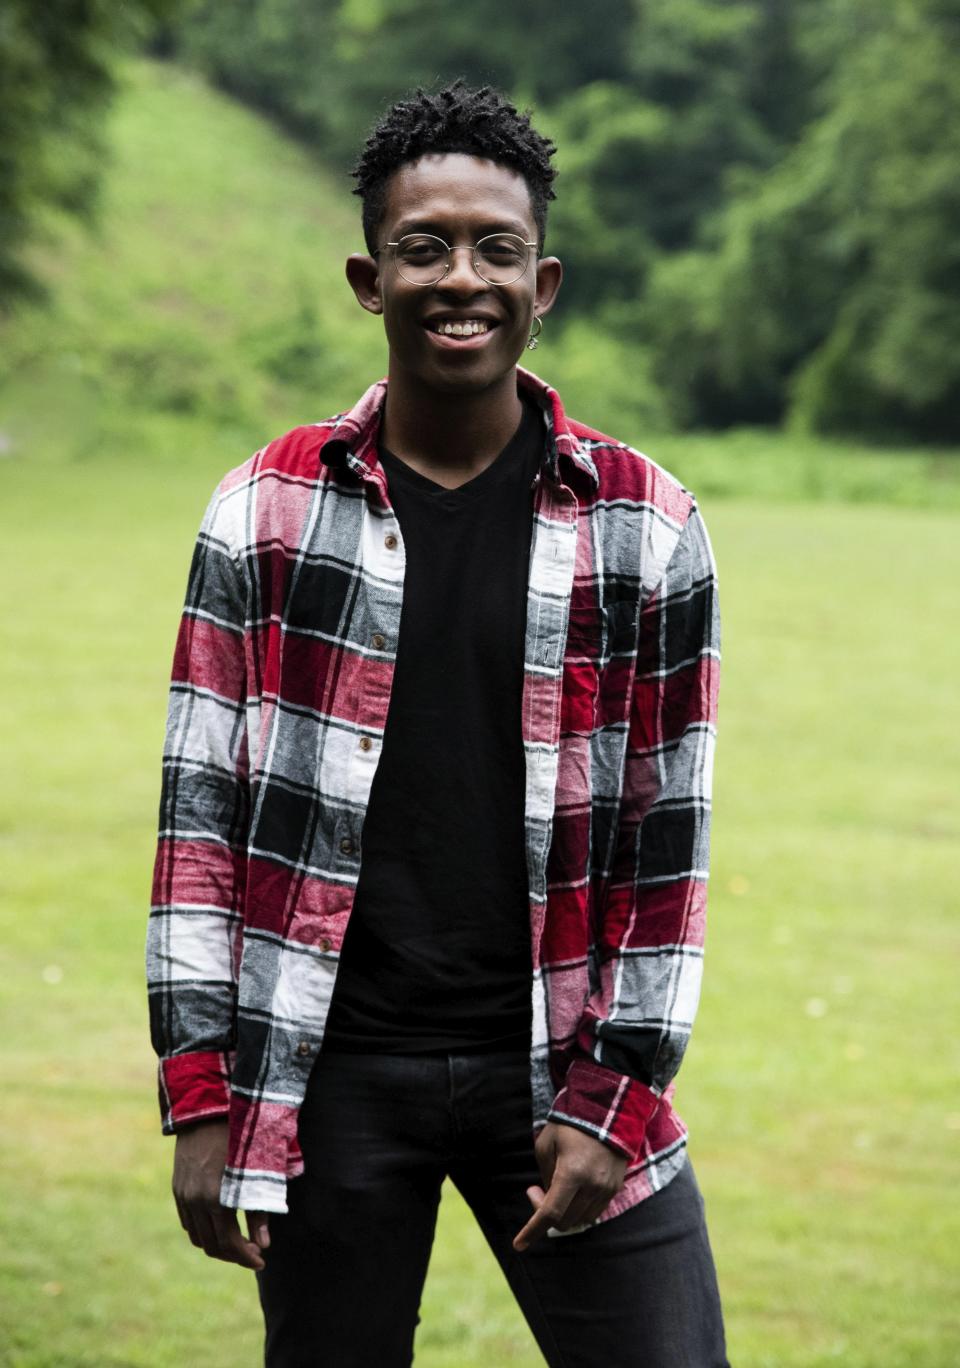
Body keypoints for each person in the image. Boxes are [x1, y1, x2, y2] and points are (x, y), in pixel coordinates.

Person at [147, 81, 727, 1367]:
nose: (460, 278)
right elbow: (199, 818)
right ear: (370, 278)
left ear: (546, 281)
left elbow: (664, 840)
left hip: (560, 1062)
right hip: (332, 1072)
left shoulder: (646, 523)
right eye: (424, 248)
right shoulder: (263, 512)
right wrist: (201, 1091)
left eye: (495, 249)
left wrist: (617, 1095)